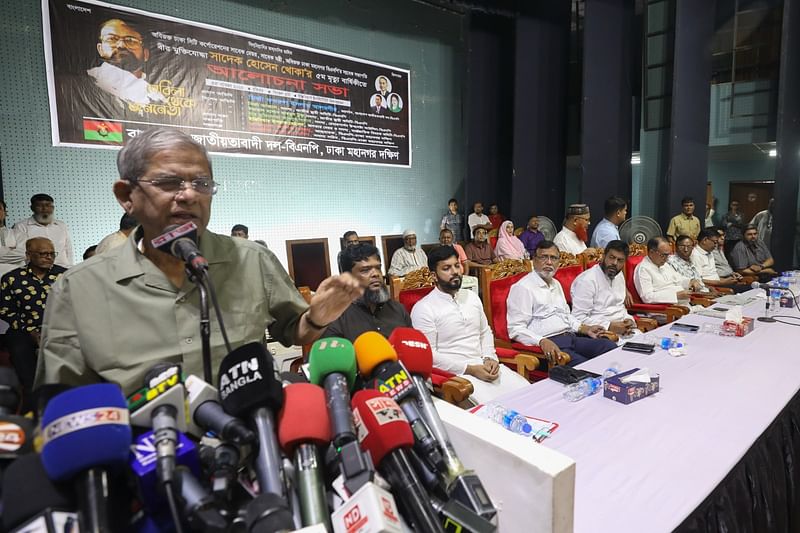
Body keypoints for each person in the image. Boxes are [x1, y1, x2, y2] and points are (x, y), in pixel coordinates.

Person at [33, 128, 361, 395]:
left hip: (251, 453)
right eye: (169, 182)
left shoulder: (251, 260)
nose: (190, 195)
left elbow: (294, 332)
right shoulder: (78, 289)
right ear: (126, 197)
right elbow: (63, 406)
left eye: (201, 184)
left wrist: (317, 318)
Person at [411, 246, 529, 403]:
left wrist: (490, 357)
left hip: (485, 366)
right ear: (434, 275)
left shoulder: (472, 297)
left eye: (456, 265)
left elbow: (485, 331)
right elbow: (429, 355)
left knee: (527, 394)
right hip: (457, 376)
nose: (455, 271)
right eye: (446, 268)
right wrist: (470, 369)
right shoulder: (423, 308)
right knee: (498, 410)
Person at [506, 240, 616, 366]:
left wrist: (584, 328)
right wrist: (541, 341)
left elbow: (566, 315)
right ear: (534, 260)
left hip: (571, 337)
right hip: (550, 346)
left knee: (609, 347)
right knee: (589, 367)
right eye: (543, 257)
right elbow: (516, 328)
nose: (549, 262)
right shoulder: (523, 288)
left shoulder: (555, 283)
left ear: (558, 262)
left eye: (553, 258)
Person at [0, 238, 67, 402]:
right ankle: (33, 397)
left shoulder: (65, 275)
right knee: (19, 347)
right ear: (28, 255)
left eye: (52, 254)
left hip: (60, 328)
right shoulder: (11, 279)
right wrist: (30, 331)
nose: (49, 257)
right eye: (43, 253)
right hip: (23, 330)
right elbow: (5, 309)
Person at [324, 243, 411, 342]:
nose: (376, 274)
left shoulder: (398, 309)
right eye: (365, 270)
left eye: (378, 268)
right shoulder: (335, 317)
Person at [88, 19, 166, 106]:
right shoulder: (87, 81)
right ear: (100, 49)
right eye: (112, 39)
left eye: (131, 40)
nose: (121, 45)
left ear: (145, 54)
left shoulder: (157, 97)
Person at [570, 240, 636, 337]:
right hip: (600, 334)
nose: (614, 263)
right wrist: (609, 326)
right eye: (612, 257)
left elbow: (620, 307)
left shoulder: (619, 275)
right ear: (603, 256)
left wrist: (629, 320)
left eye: (620, 260)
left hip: (624, 331)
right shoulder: (587, 280)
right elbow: (578, 318)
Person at [633, 237, 700, 305]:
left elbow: (678, 279)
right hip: (665, 311)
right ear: (651, 252)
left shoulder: (664, 265)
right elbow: (647, 297)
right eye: (663, 255)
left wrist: (691, 281)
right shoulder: (644, 269)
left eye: (668, 255)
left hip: (683, 304)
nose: (666, 259)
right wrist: (675, 295)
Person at [13, 194, 74, 267]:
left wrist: (70, 267)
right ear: (32, 208)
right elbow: (21, 253)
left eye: (48, 205)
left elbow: (68, 249)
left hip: (63, 269)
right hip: (37, 271)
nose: (44, 209)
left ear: (53, 208)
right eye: (40, 206)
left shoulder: (61, 225)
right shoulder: (21, 226)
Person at [0, 200, 25, 277]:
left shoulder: (17, 233)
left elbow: (24, 254)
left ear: (5, 213)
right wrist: (9, 250)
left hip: (18, 280)